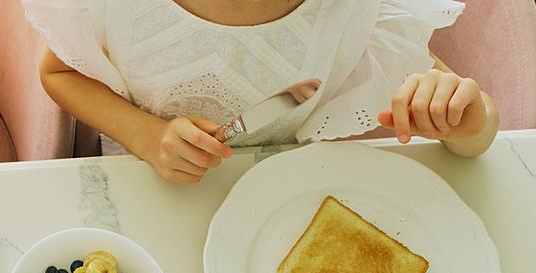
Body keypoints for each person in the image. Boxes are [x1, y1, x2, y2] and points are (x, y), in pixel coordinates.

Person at [25, 0, 499, 183]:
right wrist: (147, 135)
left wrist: (466, 116)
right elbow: (58, 73)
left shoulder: (358, 14)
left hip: (280, 194)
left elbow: (475, 136)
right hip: (141, 182)